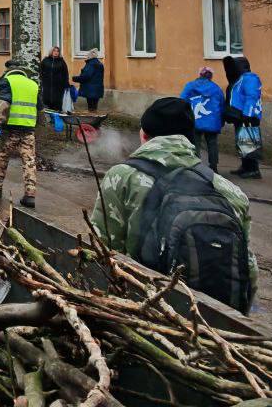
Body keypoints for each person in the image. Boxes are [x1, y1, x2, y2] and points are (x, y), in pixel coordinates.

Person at [88, 97, 255, 313]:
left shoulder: (122, 178)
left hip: (144, 310)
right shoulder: (230, 191)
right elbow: (248, 268)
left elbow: (103, 250)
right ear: (190, 139)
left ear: (144, 135)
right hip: (214, 323)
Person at [0, 58, 41, 208]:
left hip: (11, 129)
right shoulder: (33, 84)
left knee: (2, 157)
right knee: (29, 161)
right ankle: (30, 195)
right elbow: (39, 107)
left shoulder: (7, 82)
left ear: (8, 70)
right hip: (28, 130)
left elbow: (3, 104)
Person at [224, 56, 263, 180]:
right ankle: (245, 166)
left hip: (248, 117)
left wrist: (248, 114)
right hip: (240, 116)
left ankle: (253, 170)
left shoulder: (250, 78)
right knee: (242, 142)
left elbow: (252, 96)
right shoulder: (240, 79)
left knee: (249, 143)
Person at [180, 66, 224, 173]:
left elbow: (182, 101)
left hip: (194, 120)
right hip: (212, 121)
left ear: (199, 75)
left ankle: (195, 166)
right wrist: (221, 120)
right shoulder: (216, 88)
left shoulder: (190, 86)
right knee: (212, 143)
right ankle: (214, 167)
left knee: (195, 143)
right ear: (211, 77)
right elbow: (222, 105)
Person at [40, 46, 73, 113]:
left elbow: (65, 73)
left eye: (57, 51)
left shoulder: (61, 62)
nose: (56, 52)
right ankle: (49, 117)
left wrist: (66, 84)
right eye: (54, 51)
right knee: (47, 101)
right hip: (47, 85)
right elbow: (40, 71)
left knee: (57, 102)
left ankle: (57, 116)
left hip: (58, 86)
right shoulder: (45, 60)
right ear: (51, 52)